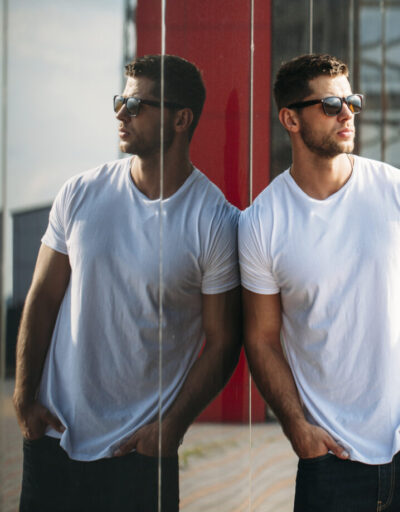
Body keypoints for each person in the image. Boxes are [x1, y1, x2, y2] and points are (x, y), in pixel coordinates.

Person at [239, 53, 400, 511]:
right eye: (329, 104)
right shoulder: (261, 222)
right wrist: (297, 428)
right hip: (330, 461)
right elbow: (261, 338)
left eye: (352, 101)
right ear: (290, 119)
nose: (347, 113)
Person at [12, 54, 241, 512]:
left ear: (180, 118)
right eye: (121, 101)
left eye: (136, 105)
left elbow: (223, 341)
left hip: (141, 453)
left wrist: (171, 426)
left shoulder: (215, 220)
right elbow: (42, 298)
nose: (121, 113)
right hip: (55, 438)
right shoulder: (80, 193)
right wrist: (23, 399)